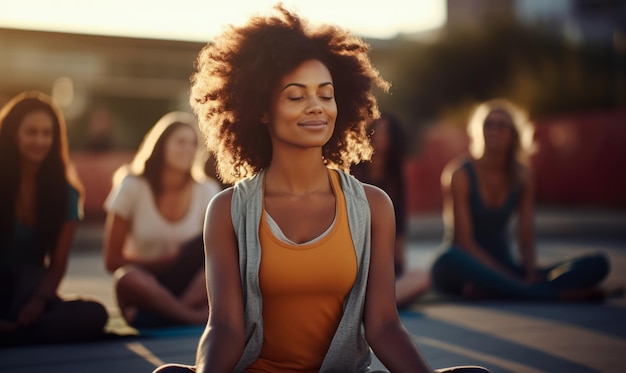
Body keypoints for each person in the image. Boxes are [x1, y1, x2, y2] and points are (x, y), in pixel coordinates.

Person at [154, 5, 489, 373]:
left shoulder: (373, 206)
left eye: (325, 95)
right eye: (296, 97)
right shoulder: (228, 209)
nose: (316, 107)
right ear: (262, 110)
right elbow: (225, 328)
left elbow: (383, 325)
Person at [430, 98, 615, 301]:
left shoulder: (522, 175)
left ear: (513, 134)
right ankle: (556, 295)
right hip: (461, 265)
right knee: (448, 258)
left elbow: (525, 234)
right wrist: (508, 277)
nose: (493, 130)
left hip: (504, 264)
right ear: (478, 131)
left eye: (501, 126)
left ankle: (503, 289)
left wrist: (529, 273)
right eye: (487, 124)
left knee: (598, 264)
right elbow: (464, 243)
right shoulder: (460, 174)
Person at [0, 91, 108, 346]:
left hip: (29, 293)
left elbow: (57, 265)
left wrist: (38, 301)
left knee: (95, 315)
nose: (40, 140)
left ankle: (16, 331)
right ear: (14, 134)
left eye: (46, 133)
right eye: (31, 132)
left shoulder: (66, 192)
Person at [103, 111, 221, 329]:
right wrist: (161, 263)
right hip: (147, 282)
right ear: (160, 145)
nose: (187, 149)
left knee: (220, 262)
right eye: (180, 142)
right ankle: (192, 317)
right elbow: (111, 261)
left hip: (192, 285)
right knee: (126, 279)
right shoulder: (131, 186)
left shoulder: (207, 189)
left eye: (193, 143)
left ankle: (170, 312)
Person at [351, 112, 431, 307]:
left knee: (421, 278)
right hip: (355, 259)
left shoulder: (396, 175)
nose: (380, 135)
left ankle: (369, 306)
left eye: (386, 131)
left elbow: (400, 221)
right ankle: (374, 304)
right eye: (376, 130)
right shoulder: (352, 171)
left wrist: (398, 264)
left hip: (384, 262)